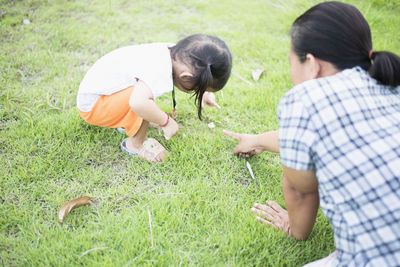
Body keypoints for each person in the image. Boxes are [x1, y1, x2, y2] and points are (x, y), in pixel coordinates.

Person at [224, 2, 400, 266]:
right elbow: (324, 138)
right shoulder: (388, 83)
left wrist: (293, 226)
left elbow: (301, 189)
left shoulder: (304, 98)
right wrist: (258, 140)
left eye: (291, 62)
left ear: (312, 63)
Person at [77, 34, 232, 162]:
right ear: (186, 76)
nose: (197, 92)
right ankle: (136, 144)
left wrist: (205, 94)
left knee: (143, 97)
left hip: (106, 94)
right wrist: (166, 121)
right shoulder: (158, 71)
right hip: (95, 106)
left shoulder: (179, 55)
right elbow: (138, 102)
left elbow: (199, 71)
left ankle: (126, 120)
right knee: (144, 103)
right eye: (199, 89)